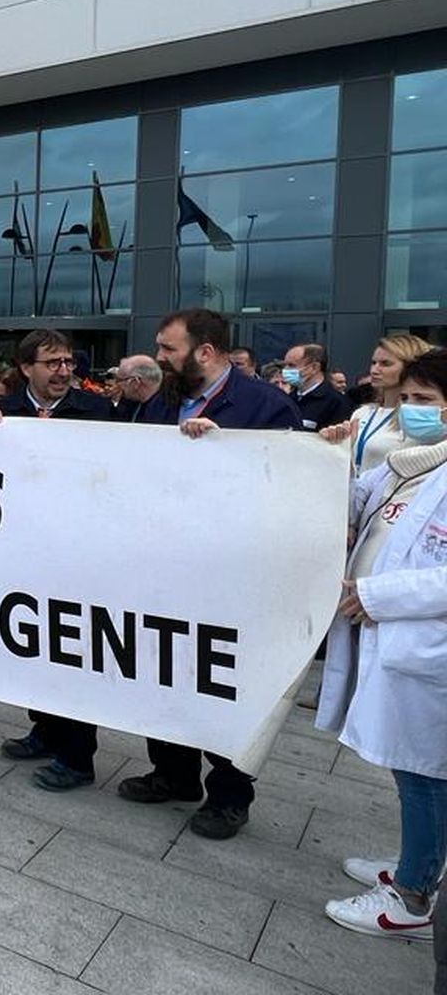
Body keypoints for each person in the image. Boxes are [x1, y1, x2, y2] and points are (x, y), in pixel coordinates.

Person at [121, 307, 300, 839]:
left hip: (230, 576)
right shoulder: (164, 402)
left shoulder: (265, 406)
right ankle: (173, 774)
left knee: (221, 681)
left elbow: (283, 486)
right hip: (164, 566)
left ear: (205, 351)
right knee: (163, 669)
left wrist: (223, 454)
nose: (159, 358)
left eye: (168, 349)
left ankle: (228, 795)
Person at [316, 348, 447, 943]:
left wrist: (379, 595)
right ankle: (419, 863)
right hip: (388, 639)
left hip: (422, 646)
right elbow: (336, 498)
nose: (412, 411)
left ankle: (412, 899)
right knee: (411, 769)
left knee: (426, 773)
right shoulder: (407, 465)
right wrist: (326, 453)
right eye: (410, 399)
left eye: (427, 402)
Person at [0, 330, 112, 790]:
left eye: (67, 363)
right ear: (26, 369)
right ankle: (44, 729)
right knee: (32, 652)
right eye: (52, 363)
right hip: (22, 555)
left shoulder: (98, 412)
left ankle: (78, 757)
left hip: (77, 558)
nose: (63, 371)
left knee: (71, 655)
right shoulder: (2, 414)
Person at [322, 334, 433, 475]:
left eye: (386, 364)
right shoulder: (362, 412)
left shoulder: (417, 417)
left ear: (410, 367)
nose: (374, 370)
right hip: (354, 492)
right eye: (373, 363)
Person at [284, 342, 352, 430]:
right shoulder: (288, 399)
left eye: (291, 365)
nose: (285, 370)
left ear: (314, 367)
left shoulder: (336, 403)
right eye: (285, 365)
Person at [110, 354, 163, 423]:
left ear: (135, 382)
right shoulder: (132, 403)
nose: (117, 385)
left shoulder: (163, 412)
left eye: (120, 380)